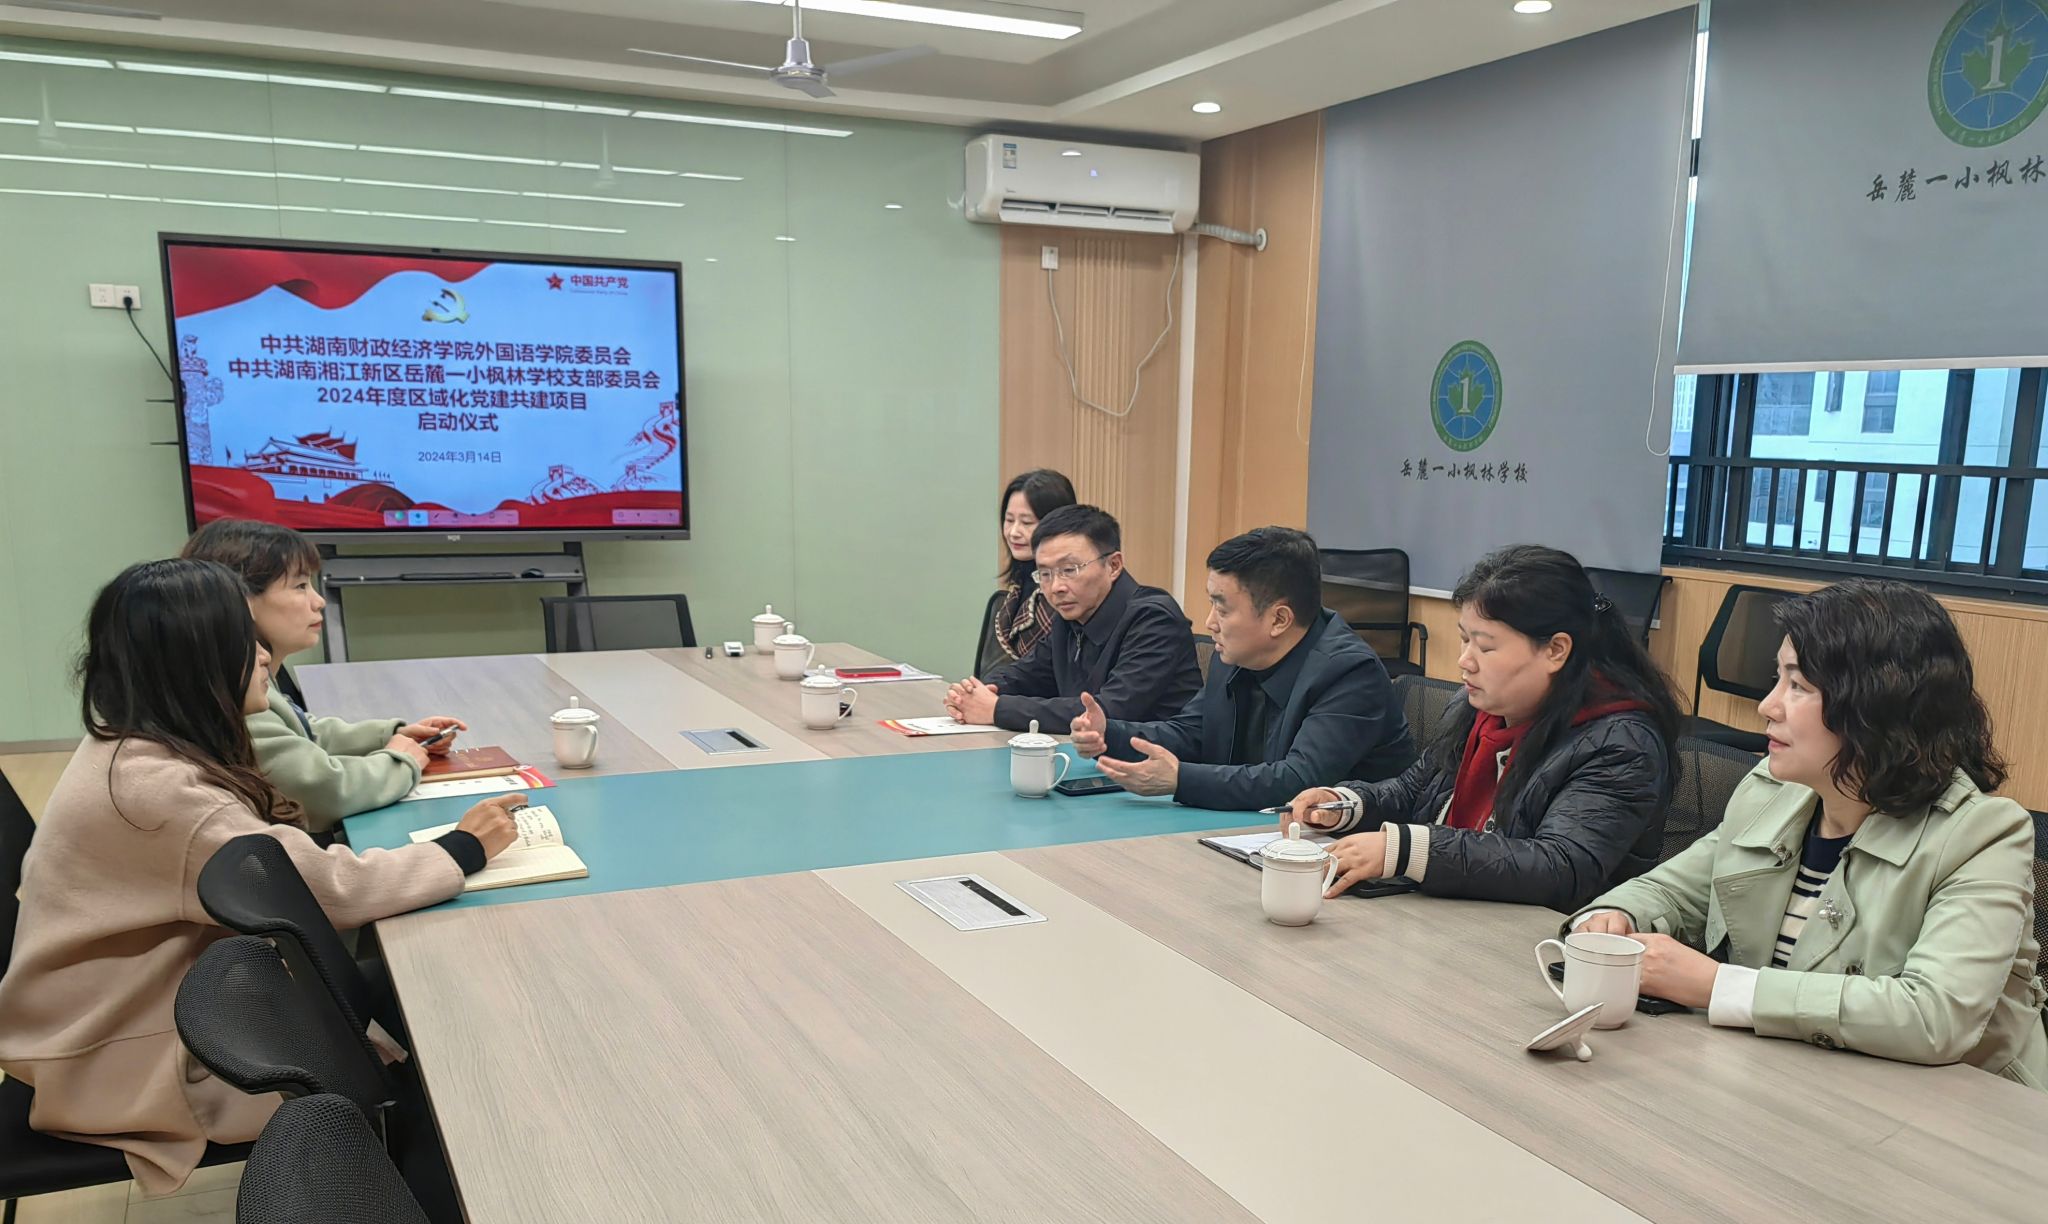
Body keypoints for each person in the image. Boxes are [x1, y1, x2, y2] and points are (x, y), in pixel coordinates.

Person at [0, 559, 525, 1195]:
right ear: (195, 662)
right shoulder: (161, 792)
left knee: (395, 992)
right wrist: (464, 847)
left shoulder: (138, 744)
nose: (263, 655)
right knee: (439, 1054)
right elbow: (324, 891)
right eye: (241, 639)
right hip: (123, 1052)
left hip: (97, 1013)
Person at [1569, 580, 2046, 1087]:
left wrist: (1718, 986)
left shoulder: (1985, 835)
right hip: (1791, 1080)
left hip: (1960, 1111)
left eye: (1798, 686)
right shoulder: (1772, 791)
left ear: (1876, 706)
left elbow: (1935, 1017)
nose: (1767, 706)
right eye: (1777, 679)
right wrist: (1613, 919)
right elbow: (1668, 891)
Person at [1284, 544, 1680, 911]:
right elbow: (1413, 791)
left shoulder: (1621, 743)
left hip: (1540, 940)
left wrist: (1407, 850)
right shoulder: (1478, 706)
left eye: (1486, 647)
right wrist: (1343, 804)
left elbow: (1559, 867)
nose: (1465, 661)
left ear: (1556, 650)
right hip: (1449, 913)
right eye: (1464, 640)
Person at [1069, 526, 1413, 809]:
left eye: (1222, 609)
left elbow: (1299, 780)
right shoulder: (1237, 656)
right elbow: (1191, 733)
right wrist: (1108, 734)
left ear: (1279, 619)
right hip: (1248, 834)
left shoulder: (1350, 673)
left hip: (1336, 852)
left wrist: (1180, 780)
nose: (1209, 622)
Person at [182, 519, 467, 828]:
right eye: (300, 586)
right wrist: (401, 761)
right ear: (239, 601)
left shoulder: (244, 672)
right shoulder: (236, 689)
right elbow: (322, 792)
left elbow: (302, 731)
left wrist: (391, 735)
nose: (318, 601)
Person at [946, 504, 1199, 732]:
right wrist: (975, 693)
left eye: (1069, 570)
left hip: (1150, 764)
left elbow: (1105, 712)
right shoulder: (1072, 617)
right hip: (1085, 758)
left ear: (1113, 565)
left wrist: (996, 709)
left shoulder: (1154, 620)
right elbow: (1026, 674)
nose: (1056, 587)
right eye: (1045, 574)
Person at [983, 468, 1078, 673]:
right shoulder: (1017, 588)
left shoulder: (1068, 595)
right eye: (1009, 520)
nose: (1013, 532)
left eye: (1027, 522)